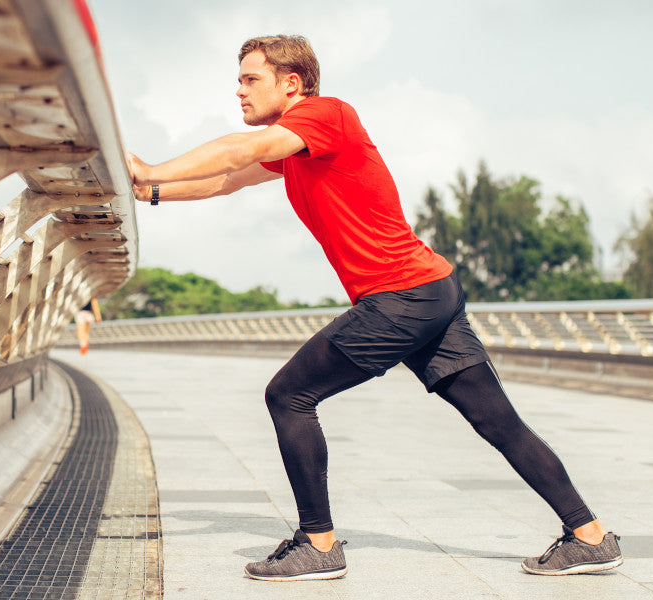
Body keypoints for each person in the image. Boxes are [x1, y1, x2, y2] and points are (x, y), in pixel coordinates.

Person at [126, 34, 622, 581]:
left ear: (291, 83)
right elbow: (226, 180)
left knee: (289, 395)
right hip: (430, 289)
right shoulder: (294, 149)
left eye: (250, 79)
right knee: (497, 422)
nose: (238, 90)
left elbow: (241, 151)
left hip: (401, 298)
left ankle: (318, 544)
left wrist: (153, 168)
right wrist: (148, 192)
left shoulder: (325, 115)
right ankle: (590, 536)